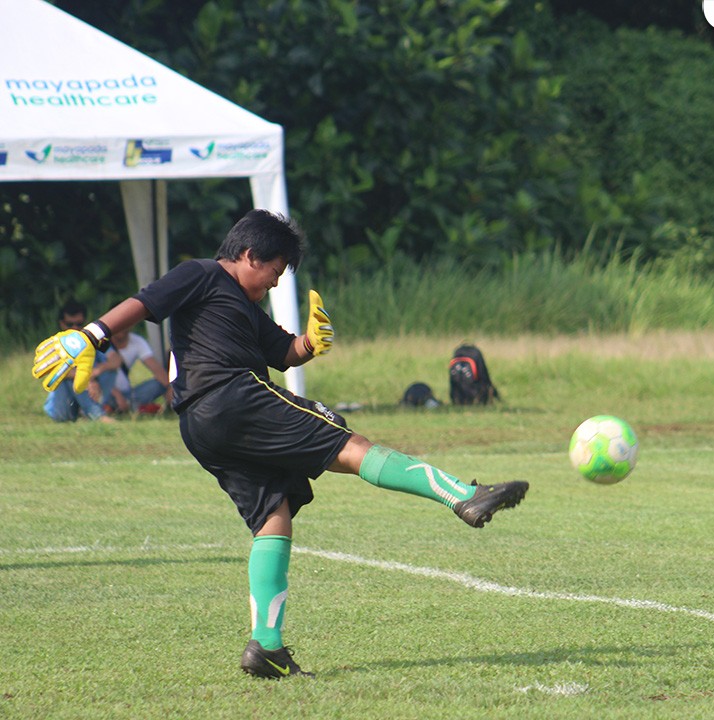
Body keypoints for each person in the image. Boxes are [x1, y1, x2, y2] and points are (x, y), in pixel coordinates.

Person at [32, 210, 528, 679]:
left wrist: (311, 341)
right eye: (275, 269)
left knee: (274, 516)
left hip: (202, 427)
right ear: (249, 254)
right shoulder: (203, 274)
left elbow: (284, 353)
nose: (276, 281)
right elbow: (146, 303)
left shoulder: (246, 307)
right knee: (350, 443)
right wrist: (92, 334)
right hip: (233, 396)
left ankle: (265, 647)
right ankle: (462, 494)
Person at [41, 299, 120, 423]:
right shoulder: (57, 344)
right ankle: (96, 414)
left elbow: (116, 360)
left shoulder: (92, 341)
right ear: (62, 324)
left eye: (79, 324)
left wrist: (94, 373)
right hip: (62, 409)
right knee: (67, 375)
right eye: (69, 324)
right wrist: (87, 378)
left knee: (110, 371)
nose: (75, 328)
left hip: (87, 391)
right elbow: (56, 371)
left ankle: (89, 411)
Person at [104, 327, 173, 415]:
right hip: (107, 391)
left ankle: (126, 407)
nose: (121, 330)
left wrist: (169, 388)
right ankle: (123, 407)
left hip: (129, 394)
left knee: (157, 384)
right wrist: (116, 394)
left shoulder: (137, 341)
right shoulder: (102, 344)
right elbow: (96, 374)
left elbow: (156, 368)